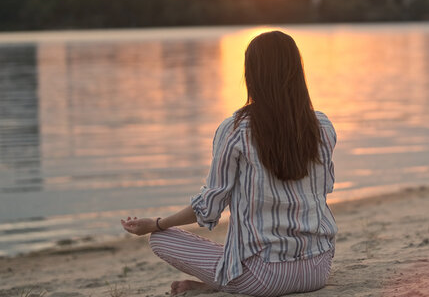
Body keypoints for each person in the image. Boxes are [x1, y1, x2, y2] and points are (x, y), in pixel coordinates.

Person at [121, 30, 337, 297]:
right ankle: (218, 283)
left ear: (252, 73)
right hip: (318, 269)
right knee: (240, 248)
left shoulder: (236, 130)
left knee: (162, 239)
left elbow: (209, 208)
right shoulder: (323, 126)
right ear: (297, 70)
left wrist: (156, 223)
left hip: (265, 279)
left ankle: (225, 282)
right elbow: (325, 188)